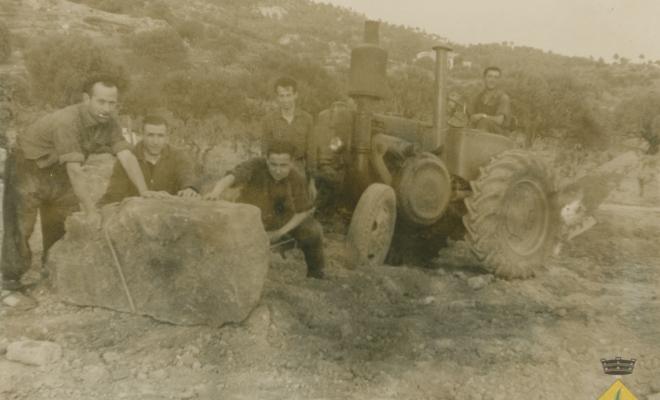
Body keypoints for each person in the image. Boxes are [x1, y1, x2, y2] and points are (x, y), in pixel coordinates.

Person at [1, 75, 162, 298]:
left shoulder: (110, 122)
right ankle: (11, 281)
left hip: (59, 169)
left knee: (63, 221)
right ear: (87, 99)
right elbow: (75, 170)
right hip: (28, 166)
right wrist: (91, 210)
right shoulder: (67, 121)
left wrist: (144, 191)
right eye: (101, 101)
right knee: (21, 225)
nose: (106, 108)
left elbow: (126, 155)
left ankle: (52, 271)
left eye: (112, 103)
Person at [204, 141, 326, 279]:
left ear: (291, 163)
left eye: (283, 165)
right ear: (267, 160)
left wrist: (279, 232)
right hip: (249, 218)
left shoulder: (296, 177)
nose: (278, 170)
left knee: (313, 229)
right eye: (273, 164)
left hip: (278, 222)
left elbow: (303, 211)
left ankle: (316, 274)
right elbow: (232, 176)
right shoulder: (255, 165)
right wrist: (215, 192)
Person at [99, 115, 200, 205]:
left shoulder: (178, 155)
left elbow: (187, 176)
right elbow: (114, 194)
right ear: (142, 134)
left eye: (160, 136)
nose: (155, 142)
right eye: (150, 135)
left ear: (167, 136)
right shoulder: (128, 159)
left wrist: (189, 188)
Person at [261, 77, 316, 194]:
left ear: (295, 95)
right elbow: (265, 151)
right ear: (277, 97)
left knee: (300, 206)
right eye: (281, 95)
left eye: (288, 95)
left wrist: (312, 182)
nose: (285, 100)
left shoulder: (307, 119)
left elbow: (311, 153)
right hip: (277, 170)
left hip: (299, 168)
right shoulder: (268, 120)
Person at [469, 66, 511, 134]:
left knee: (484, 122)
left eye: (496, 77)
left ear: (499, 80)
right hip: (480, 131)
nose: (492, 80)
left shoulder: (503, 98)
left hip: (499, 135)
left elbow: (499, 120)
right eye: (489, 76)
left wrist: (483, 116)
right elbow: (471, 117)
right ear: (484, 78)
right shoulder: (478, 96)